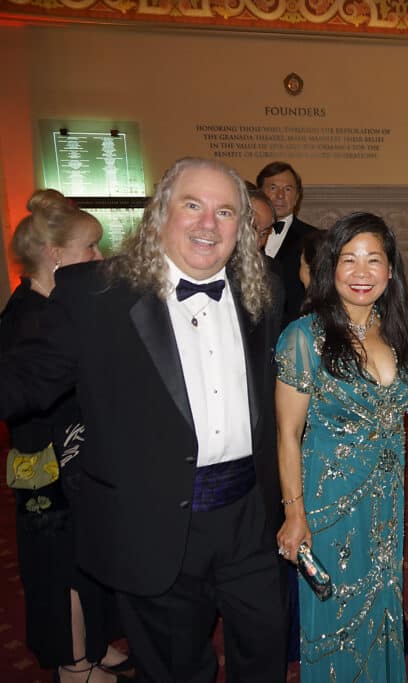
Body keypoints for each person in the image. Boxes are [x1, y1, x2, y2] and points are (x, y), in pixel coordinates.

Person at [0, 158, 288, 682]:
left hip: (249, 516)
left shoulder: (263, 288)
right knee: (176, 669)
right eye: (192, 205)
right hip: (152, 522)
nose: (208, 224)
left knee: (265, 655)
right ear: (160, 214)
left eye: (225, 211)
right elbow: (23, 381)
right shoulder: (95, 294)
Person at [275, 212, 408, 681]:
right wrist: (294, 514)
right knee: (335, 618)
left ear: (390, 270)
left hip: (386, 503)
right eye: (348, 259)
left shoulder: (397, 330)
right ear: (330, 268)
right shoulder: (304, 337)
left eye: (373, 260)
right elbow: (288, 434)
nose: (361, 272)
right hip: (328, 505)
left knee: (382, 605)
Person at [1, 190, 131, 683]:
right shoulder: (30, 316)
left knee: (88, 555)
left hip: (73, 460)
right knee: (62, 566)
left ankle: (92, 645)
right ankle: (75, 663)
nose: (98, 258)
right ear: (56, 255)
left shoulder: (54, 305)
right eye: (90, 248)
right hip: (48, 468)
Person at [258, 161, 315, 324]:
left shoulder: (314, 239)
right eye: (273, 188)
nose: (280, 196)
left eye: (288, 189)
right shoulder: (241, 234)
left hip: (294, 329)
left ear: (297, 197)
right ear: (260, 193)